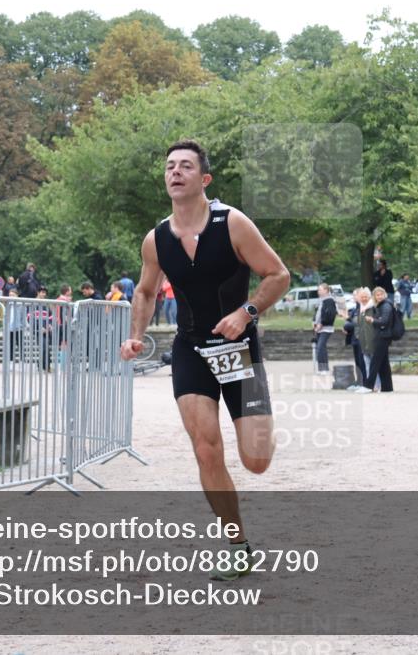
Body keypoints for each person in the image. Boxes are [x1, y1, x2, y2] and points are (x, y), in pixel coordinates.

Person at [120, 139, 289, 581]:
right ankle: (238, 545)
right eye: (170, 166)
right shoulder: (156, 238)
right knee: (206, 449)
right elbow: (145, 290)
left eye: (186, 166)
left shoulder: (232, 223)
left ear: (204, 178)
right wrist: (136, 336)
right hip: (191, 349)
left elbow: (279, 275)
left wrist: (246, 312)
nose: (175, 172)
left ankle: (263, 425)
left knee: (256, 459)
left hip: (235, 349)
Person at [362, 286, 395, 393]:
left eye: (381, 294)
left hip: (383, 337)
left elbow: (384, 321)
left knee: (375, 362)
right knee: (383, 363)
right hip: (382, 336)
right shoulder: (381, 305)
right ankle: (387, 387)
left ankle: (368, 386)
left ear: (384, 294)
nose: (379, 296)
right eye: (377, 295)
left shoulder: (386, 305)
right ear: (375, 297)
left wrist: (372, 320)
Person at [312, 283, 339, 375]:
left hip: (326, 327)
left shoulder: (330, 301)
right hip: (319, 327)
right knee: (321, 348)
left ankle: (324, 369)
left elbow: (330, 314)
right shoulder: (321, 300)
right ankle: (322, 368)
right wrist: (314, 322)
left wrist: (322, 323)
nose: (318, 291)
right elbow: (317, 313)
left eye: (320, 289)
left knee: (320, 347)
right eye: (318, 289)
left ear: (326, 290)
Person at [5, 288, 25, 362]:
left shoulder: (21, 305)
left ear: (17, 295)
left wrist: (23, 326)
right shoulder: (8, 305)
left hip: (18, 328)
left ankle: (22, 361)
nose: (11, 297)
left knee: (20, 345)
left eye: (13, 295)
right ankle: (10, 361)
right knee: (10, 346)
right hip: (9, 328)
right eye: (10, 295)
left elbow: (23, 317)